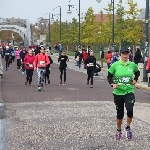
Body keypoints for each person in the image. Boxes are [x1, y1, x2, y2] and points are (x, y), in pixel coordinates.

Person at [107, 48, 140, 140]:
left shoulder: (132, 65)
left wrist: (135, 79)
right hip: (118, 92)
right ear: (120, 55)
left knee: (130, 110)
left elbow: (137, 72)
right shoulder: (115, 65)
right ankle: (118, 130)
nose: (125, 56)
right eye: (123, 54)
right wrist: (112, 84)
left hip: (129, 91)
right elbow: (109, 76)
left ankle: (128, 128)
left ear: (129, 55)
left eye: (127, 54)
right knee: (120, 113)